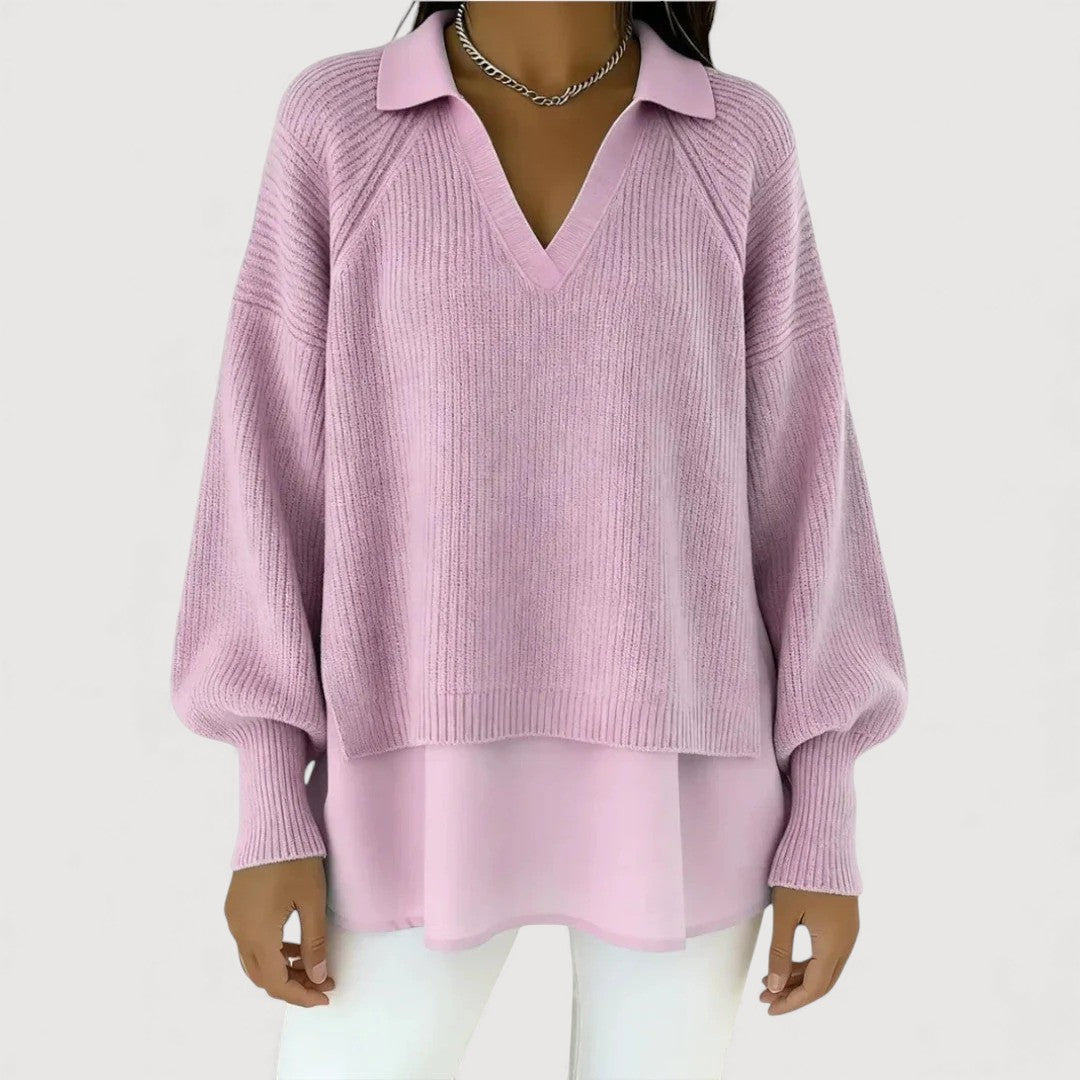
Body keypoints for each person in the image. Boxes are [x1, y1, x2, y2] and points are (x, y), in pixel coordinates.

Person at [169, 2, 909, 1077]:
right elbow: (264, 466)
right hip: (409, 778)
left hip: (688, 784)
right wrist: (270, 796)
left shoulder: (734, 140)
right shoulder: (341, 125)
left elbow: (809, 487)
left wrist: (825, 812)